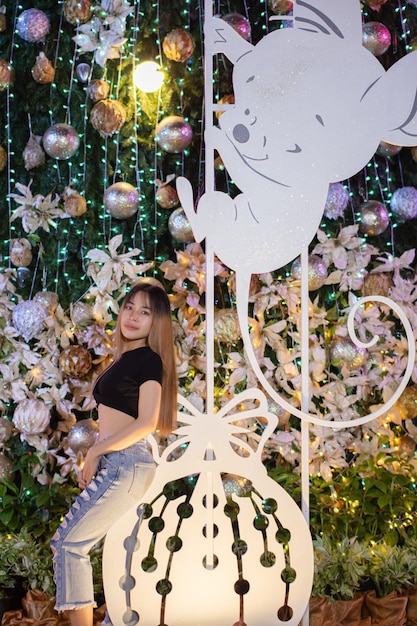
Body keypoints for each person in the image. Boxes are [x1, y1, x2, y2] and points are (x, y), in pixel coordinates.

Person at [50, 277, 178, 626]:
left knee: (69, 545)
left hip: (127, 463)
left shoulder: (148, 361)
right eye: (128, 307)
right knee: (121, 557)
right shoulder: (128, 357)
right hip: (120, 463)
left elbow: (147, 422)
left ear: (158, 322)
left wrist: (94, 453)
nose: (133, 317)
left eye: (145, 312)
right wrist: (98, 454)